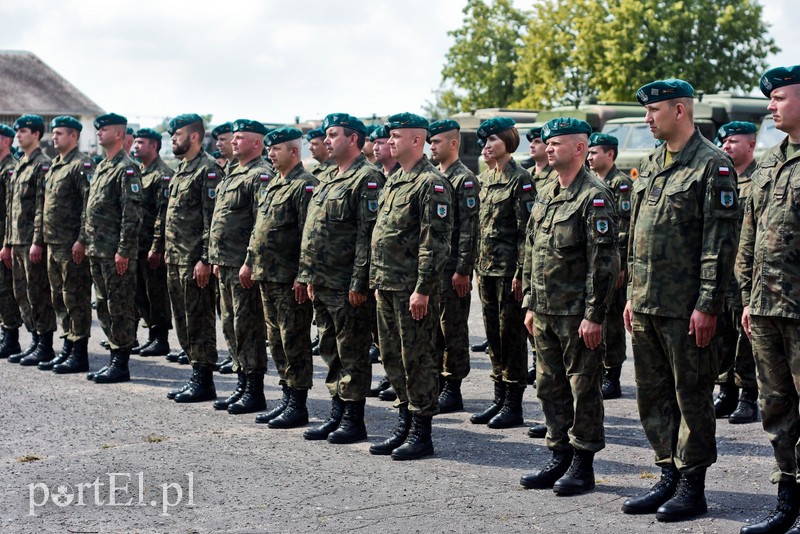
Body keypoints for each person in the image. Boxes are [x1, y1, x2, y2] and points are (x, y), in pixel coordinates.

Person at [622, 79, 739, 521]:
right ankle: (667, 473)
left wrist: (708, 304)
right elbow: (636, 236)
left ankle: (693, 486)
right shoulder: (653, 162)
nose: (648, 119)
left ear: (680, 110)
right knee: (653, 396)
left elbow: (719, 243)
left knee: (691, 396)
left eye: (654, 111)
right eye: (647, 111)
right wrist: (634, 294)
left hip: (687, 308)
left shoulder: (713, 165)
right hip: (648, 303)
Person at [519, 117, 619, 495]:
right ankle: (558, 453)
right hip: (544, 310)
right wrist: (530, 302)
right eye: (547, 142)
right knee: (549, 387)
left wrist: (594, 315)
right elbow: (533, 249)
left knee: (583, 390)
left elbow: (604, 263)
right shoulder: (547, 191)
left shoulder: (593, 194)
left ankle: (582, 462)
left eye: (557, 143)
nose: (549, 148)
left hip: (577, 314)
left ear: (580, 148)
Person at [737, 65, 800, 534]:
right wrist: (747, 296)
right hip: (764, 308)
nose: (770, 106)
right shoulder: (770, 161)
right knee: (776, 409)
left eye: (779, 97)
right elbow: (749, 235)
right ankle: (787, 501)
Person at [369, 112, 452, 460]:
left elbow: (434, 241)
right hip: (387, 284)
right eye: (390, 136)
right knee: (392, 358)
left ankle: (422, 431)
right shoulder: (394, 180)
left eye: (397, 136)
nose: (390, 141)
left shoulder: (430, 184)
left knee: (417, 359)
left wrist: (423, 288)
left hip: (411, 289)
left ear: (416, 141)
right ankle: (404, 422)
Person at [298, 113, 383, 444]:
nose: (327, 139)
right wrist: (307, 275)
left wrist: (359, 282)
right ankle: (336, 411)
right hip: (322, 281)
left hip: (346, 283)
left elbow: (368, 234)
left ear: (353, 139)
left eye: (333, 135)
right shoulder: (330, 178)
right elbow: (314, 232)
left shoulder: (367, 178)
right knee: (330, 348)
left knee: (352, 351)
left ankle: (353, 417)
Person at [244, 126, 317, 428]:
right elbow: (258, 227)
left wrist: (304, 275)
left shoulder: (305, 185)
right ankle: (286, 397)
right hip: (266, 275)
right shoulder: (272, 184)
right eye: (269, 149)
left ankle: (298, 404)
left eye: (276, 149)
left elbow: (308, 236)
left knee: (294, 340)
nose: (270, 154)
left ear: (294, 152)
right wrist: (249, 261)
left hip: (289, 279)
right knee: (275, 340)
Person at [470, 117, 535, 429]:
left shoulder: (519, 180)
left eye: (492, 140)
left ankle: (513, 404)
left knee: (511, 337)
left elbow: (526, 232)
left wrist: (522, 273)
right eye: (484, 142)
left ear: (508, 142)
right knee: (494, 336)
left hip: (509, 272)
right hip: (487, 271)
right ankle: (498, 397)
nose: (486, 147)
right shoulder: (487, 178)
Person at [208, 119, 270, 412]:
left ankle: (254, 389)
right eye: (233, 137)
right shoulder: (233, 172)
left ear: (257, 143)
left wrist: (249, 262)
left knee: (248, 327)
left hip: (243, 265)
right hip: (226, 262)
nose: (233, 141)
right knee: (231, 325)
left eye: (240, 138)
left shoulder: (259, 175)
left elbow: (261, 224)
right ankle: (241, 382)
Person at [159, 114, 221, 402]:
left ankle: (204, 380)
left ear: (194, 136)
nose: (173, 138)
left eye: (178, 133)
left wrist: (206, 259)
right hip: (175, 258)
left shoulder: (207, 170)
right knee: (183, 320)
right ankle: (195, 374)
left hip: (194, 260)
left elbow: (212, 220)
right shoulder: (182, 169)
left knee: (199, 320)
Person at [83, 113, 143, 384]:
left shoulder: (126, 168)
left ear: (118, 134)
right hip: (97, 249)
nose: (98, 133)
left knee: (119, 306)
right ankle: (113, 356)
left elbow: (131, 214)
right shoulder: (103, 167)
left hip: (115, 251)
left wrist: (124, 250)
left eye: (103, 129)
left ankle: (120, 362)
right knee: (104, 305)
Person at [31, 116, 94, 373]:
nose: (53, 137)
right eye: (53, 133)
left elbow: (88, 207)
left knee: (75, 298)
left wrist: (81, 240)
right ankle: (67, 346)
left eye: (59, 133)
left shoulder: (81, 164)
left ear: (73, 137)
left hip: (71, 245)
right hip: (52, 244)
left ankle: (79, 353)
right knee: (59, 299)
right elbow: (43, 206)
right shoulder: (55, 165)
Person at [428, 119, 479, 413]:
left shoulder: (464, 179)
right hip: (435, 267)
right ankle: (435, 381)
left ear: (453, 144)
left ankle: (453, 386)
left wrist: (463, 269)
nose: (431, 147)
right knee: (434, 327)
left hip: (453, 268)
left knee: (453, 328)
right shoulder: (433, 176)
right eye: (430, 142)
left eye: (436, 142)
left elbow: (470, 229)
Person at [712, 121, 759, 425]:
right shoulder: (723, 178)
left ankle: (748, 396)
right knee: (722, 333)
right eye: (724, 142)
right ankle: (725, 390)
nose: (727, 147)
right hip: (722, 270)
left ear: (751, 145)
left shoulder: (759, 179)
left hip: (747, 271)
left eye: (733, 142)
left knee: (746, 336)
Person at [4, 114, 57, 365]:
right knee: (22, 293)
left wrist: (38, 240)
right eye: (17, 132)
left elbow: (40, 206)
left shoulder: (41, 165)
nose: (18, 135)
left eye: (23, 131)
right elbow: (10, 210)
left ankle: (44, 345)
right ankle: (34, 340)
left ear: (36, 134)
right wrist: (7, 242)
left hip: (31, 241)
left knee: (38, 293)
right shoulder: (21, 165)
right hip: (16, 240)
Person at [586, 132, 633, 400]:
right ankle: (600, 370)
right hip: (597, 263)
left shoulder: (621, 184)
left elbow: (624, 228)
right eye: (589, 153)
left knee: (613, 321)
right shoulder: (592, 182)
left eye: (595, 153)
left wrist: (622, 266)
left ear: (610, 155)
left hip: (615, 264)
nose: (590, 157)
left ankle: (612, 375)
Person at [130, 128, 173, 358]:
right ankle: (150, 335)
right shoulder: (138, 172)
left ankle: (160, 339)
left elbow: (162, 214)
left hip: (150, 246)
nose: (136, 146)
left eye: (141, 142)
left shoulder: (162, 175)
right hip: (136, 244)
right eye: (135, 142)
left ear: (154, 146)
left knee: (156, 292)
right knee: (140, 293)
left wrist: (157, 246)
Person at [366, 125, 400, 400]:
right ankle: (392, 377)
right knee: (384, 335)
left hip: (402, 274)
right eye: (375, 142)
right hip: (379, 270)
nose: (377, 146)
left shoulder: (406, 179)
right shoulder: (380, 178)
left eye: (383, 142)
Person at [0, 124, 23, 358]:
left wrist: (7, 243)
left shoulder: (10, 169)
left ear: (6, 142)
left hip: (4, 237)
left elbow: (11, 211)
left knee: (6, 289)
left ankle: (11, 338)